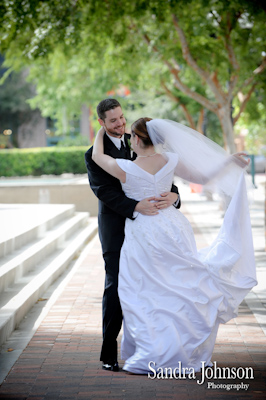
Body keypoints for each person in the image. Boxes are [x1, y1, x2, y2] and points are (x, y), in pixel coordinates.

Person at [92, 117, 257, 374]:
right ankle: (181, 348)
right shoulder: (171, 160)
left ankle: (153, 350)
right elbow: (203, 177)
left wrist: (101, 132)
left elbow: (98, 157)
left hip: (144, 231)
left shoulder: (126, 167)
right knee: (178, 287)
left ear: (135, 139)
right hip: (173, 228)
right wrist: (228, 161)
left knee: (145, 292)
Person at [85, 100, 180, 372]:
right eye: (112, 121)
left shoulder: (138, 141)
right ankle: (108, 353)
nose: (120, 124)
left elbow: (164, 176)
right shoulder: (93, 154)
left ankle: (151, 346)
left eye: (121, 117)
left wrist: (175, 196)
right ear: (101, 123)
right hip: (116, 229)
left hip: (149, 229)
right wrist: (135, 206)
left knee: (151, 284)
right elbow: (104, 191)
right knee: (115, 285)